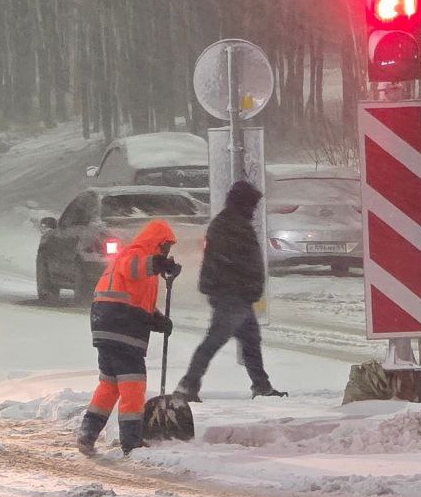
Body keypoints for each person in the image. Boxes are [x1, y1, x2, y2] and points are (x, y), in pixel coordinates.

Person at [76, 219, 180, 457]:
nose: (167, 252)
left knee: (109, 385)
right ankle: (131, 442)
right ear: (157, 242)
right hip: (121, 327)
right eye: (165, 247)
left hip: (107, 325)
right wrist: (158, 263)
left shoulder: (144, 265)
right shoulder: (135, 253)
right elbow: (134, 267)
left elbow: (134, 300)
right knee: (133, 384)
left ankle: (87, 434)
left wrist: (158, 320)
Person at [175, 179, 285, 402]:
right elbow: (233, 262)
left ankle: (261, 385)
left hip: (237, 295)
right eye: (252, 205)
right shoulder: (229, 225)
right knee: (214, 341)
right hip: (232, 295)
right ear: (243, 203)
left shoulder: (231, 223)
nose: (254, 210)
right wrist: (245, 286)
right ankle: (188, 385)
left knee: (250, 342)